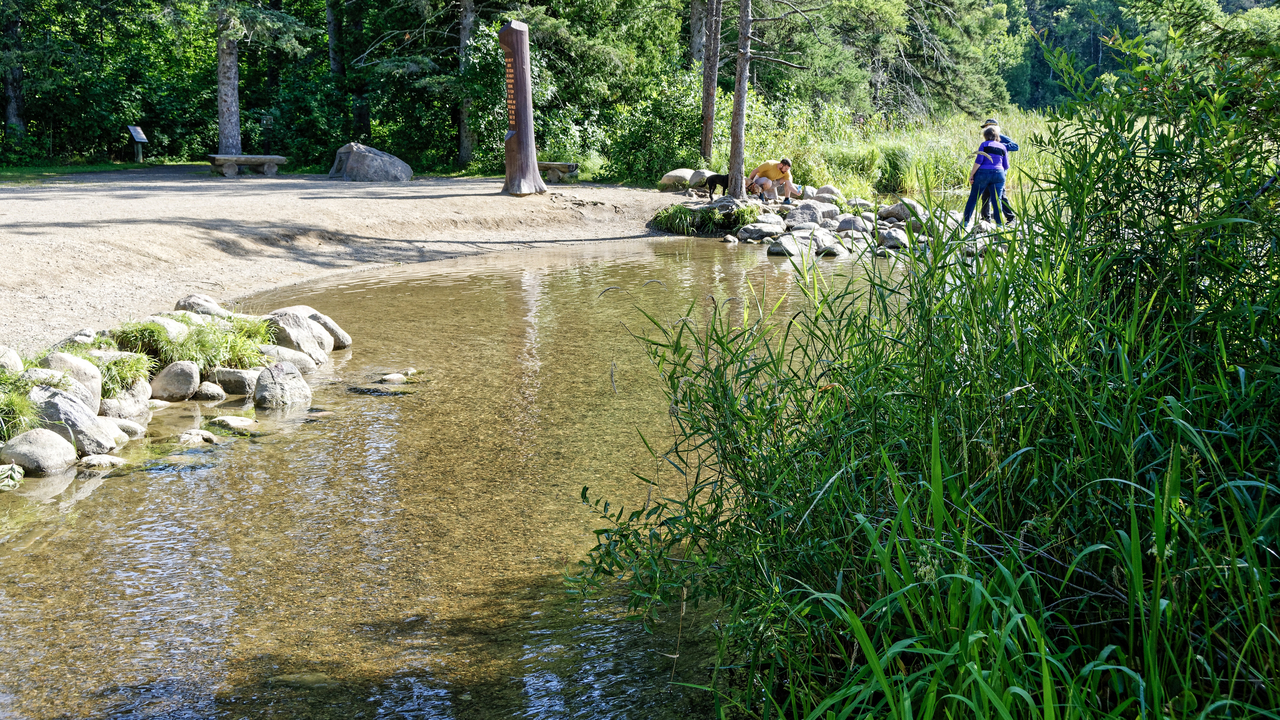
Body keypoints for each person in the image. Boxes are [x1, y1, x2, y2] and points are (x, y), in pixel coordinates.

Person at [962, 126, 1008, 228]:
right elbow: (1006, 166)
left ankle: (965, 222)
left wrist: (972, 174)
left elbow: (979, 161)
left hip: (983, 173)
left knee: (974, 197)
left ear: (985, 136)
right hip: (999, 173)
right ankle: (1000, 225)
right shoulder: (1003, 147)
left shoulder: (984, 145)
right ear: (997, 136)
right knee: (997, 200)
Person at [979, 118, 1018, 223]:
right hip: (988, 171)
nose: (985, 129)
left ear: (994, 127)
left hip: (999, 172)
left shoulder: (1001, 137)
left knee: (1000, 195)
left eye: (987, 127)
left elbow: (1015, 146)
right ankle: (986, 219)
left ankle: (1011, 218)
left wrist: (999, 145)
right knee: (986, 195)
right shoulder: (987, 140)